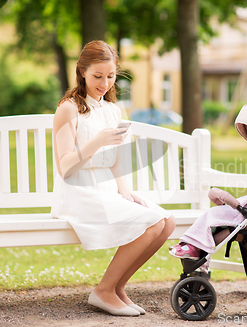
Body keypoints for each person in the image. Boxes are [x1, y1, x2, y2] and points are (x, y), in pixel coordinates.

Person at [51, 40, 176, 317]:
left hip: (105, 191)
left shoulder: (112, 110)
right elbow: (65, 168)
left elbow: (118, 160)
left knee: (167, 223)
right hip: (78, 192)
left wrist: (126, 192)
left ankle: (118, 287)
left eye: (111, 76)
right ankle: (104, 290)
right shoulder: (69, 108)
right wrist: (96, 141)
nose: (104, 83)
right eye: (97, 76)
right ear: (82, 71)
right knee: (153, 222)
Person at [169, 179, 247, 271]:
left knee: (212, 214)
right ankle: (192, 245)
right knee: (212, 215)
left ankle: (194, 247)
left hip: (241, 215)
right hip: (240, 210)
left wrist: (240, 209)